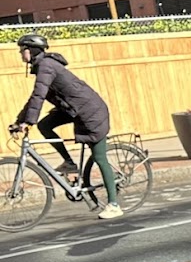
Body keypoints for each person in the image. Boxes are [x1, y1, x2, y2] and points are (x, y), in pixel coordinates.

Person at [9, 33, 122, 220]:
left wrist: (28, 122)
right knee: (45, 125)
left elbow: (39, 96)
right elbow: (35, 98)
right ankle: (69, 163)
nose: (21, 53)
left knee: (100, 157)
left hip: (91, 112)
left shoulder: (46, 66)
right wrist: (19, 120)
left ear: (32, 50)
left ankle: (114, 204)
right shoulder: (43, 67)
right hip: (74, 110)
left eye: (23, 50)